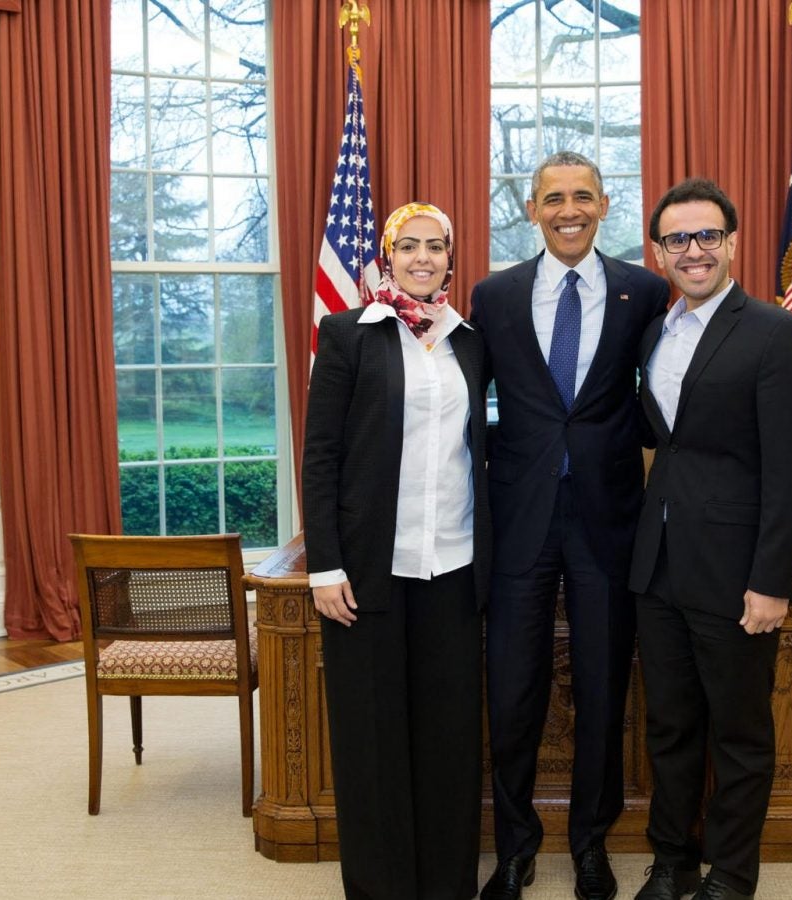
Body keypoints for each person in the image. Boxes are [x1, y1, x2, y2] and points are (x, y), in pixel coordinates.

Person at [469, 150, 670, 900]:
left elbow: (677, 385)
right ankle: (515, 847)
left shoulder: (644, 292)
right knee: (513, 691)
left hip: (609, 522)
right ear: (532, 209)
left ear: (605, 203)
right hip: (518, 522)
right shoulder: (494, 296)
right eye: (554, 197)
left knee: (602, 685)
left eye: (583, 195)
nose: (569, 210)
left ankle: (591, 843)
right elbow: (459, 405)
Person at [629, 178, 792, 900]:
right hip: (659, 567)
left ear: (732, 243)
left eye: (707, 235)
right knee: (670, 727)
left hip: (738, 573)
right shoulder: (656, 333)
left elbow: (791, 468)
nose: (694, 250)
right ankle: (672, 861)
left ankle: (732, 875)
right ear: (659, 253)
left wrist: (772, 579)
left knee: (739, 736)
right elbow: (662, 443)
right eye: (678, 239)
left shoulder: (774, 333)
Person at [302, 202, 490, 900]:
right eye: (407, 246)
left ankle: (446, 885)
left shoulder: (470, 340)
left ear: (450, 257)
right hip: (366, 575)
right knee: (373, 741)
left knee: (448, 740)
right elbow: (320, 457)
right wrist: (326, 563)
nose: (421, 258)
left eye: (434, 246)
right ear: (386, 257)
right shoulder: (350, 334)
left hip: (455, 567)